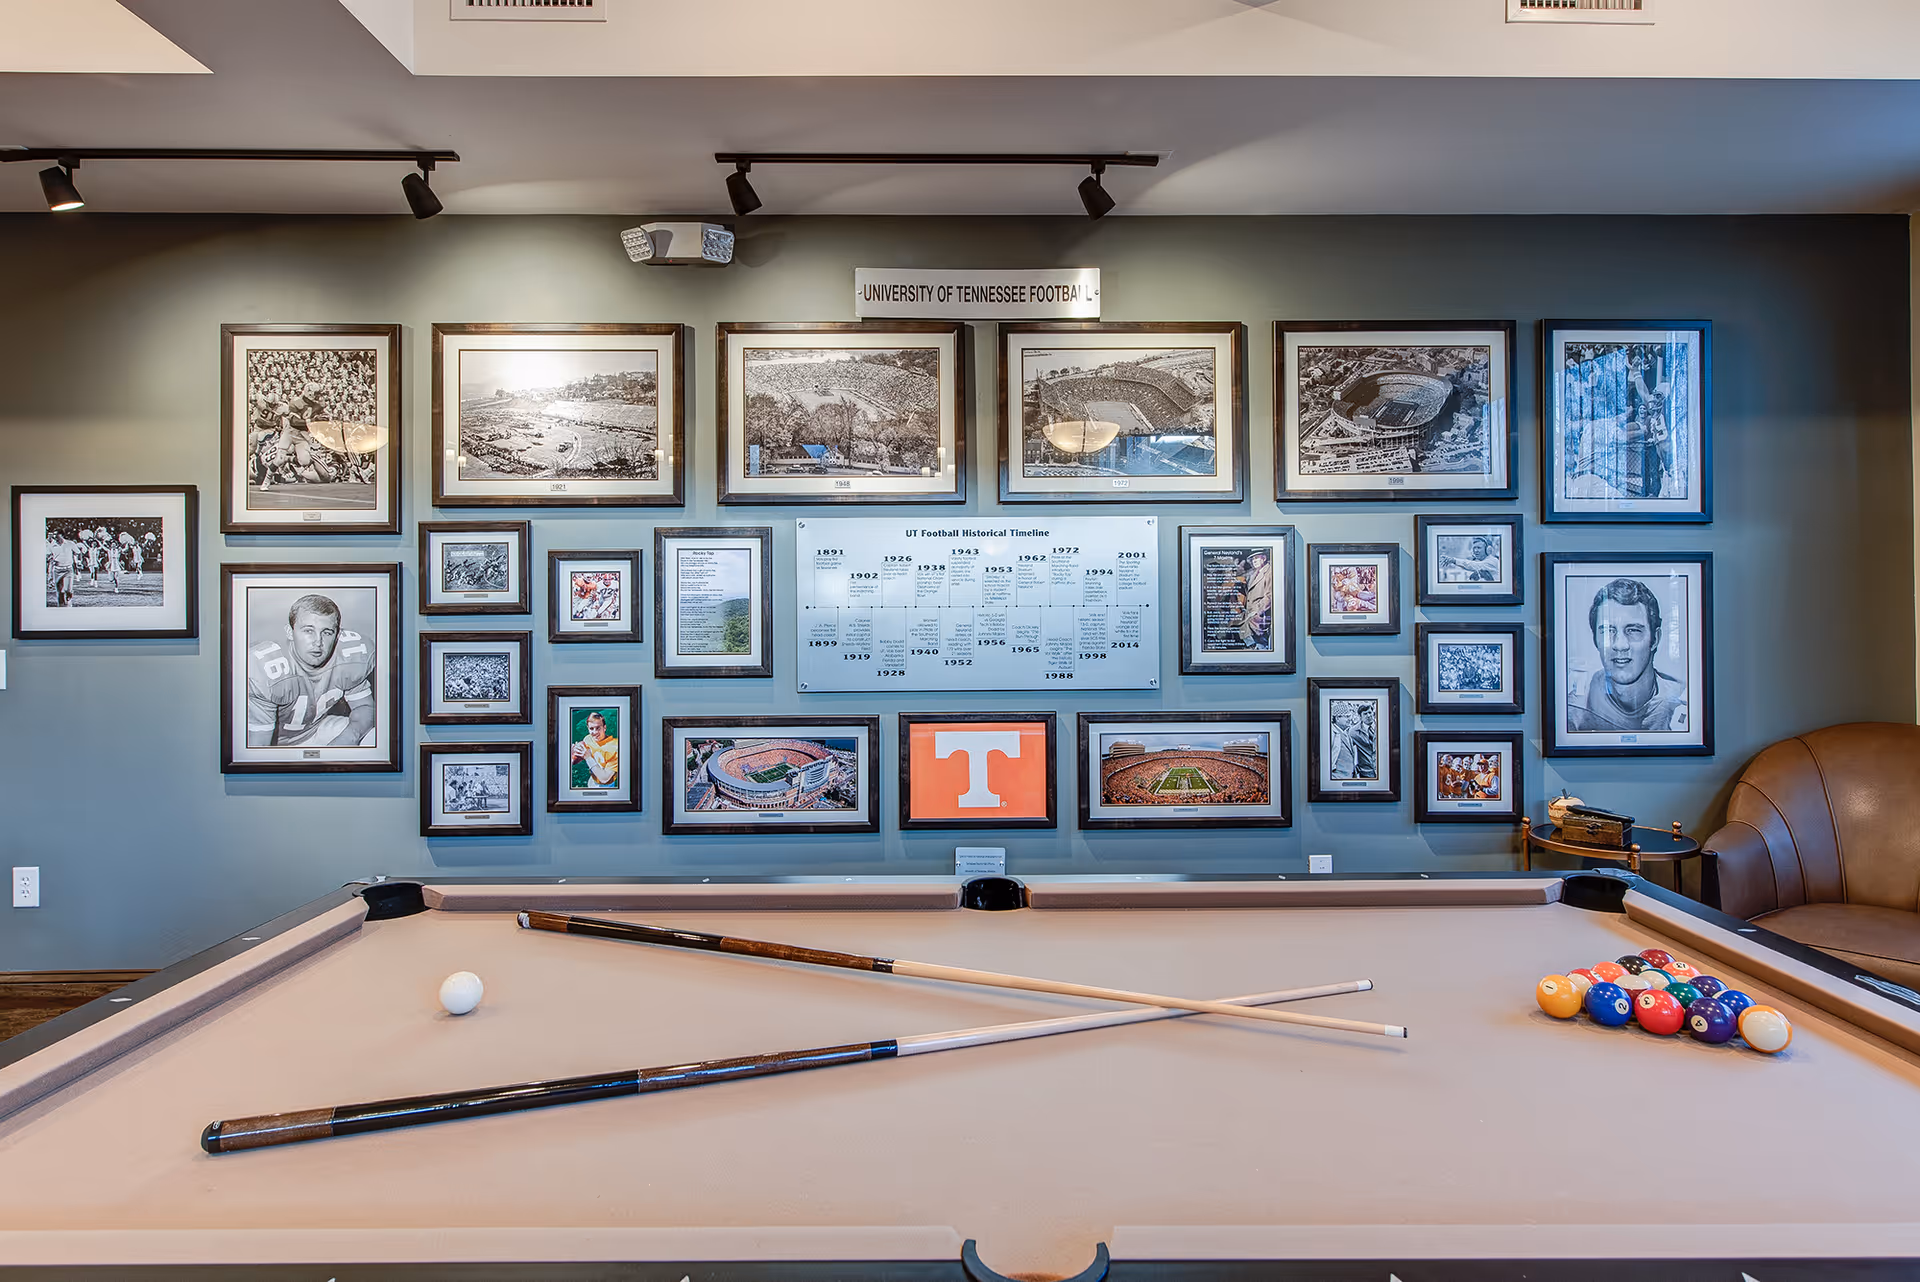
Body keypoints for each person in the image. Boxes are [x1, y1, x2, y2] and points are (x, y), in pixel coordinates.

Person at [245, 593, 376, 748]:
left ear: (337, 635)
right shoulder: (265, 670)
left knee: (373, 736)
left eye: (326, 632)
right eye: (308, 631)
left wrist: (345, 741)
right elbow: (259, 744)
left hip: (314, 731)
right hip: (276, 743)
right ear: (290, 632)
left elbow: (365, 708)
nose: (318, 642)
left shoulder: (349, 656)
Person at [1567, 577, 1688, 733]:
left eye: (1633, 630)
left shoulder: (1683, 705)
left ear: (1655, 639)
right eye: (1608, 631)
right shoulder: (1575, 710)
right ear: (1595, 639)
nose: (1620, 645)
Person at [570, 711, 619, 789]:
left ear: (604, 727)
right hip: (592, 781)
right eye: (591, 728)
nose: (595, 732)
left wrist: (588, 757)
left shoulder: (615, 747)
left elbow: (604, 779)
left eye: (598, 728)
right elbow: (575, 761)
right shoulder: (588, 739)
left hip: (607, 786)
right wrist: (572, 754)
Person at [1238, 549, 1273, 648]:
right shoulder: (1256, 573)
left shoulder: (1269, 572)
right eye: (1253, 559)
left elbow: (1269, 596)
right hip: (1251, 612)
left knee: (1259, 643)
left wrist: (1257, 611)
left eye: (1257, 558)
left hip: (1261, 614)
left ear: (1264, 558)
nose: (1254, 561)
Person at [46, 531, 76, 607]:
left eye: (56, 534)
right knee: (59, 591)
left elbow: (78, 552)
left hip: (68, 570)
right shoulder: (52, 545)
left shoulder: (70, 543)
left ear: (61, 535)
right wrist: (49, 558)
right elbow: (47, 556)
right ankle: (61, 607)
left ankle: (69, 601)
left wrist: (77, 561)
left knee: (67, 590)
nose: (55, 536)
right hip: (57, 570)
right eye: (54, 535)